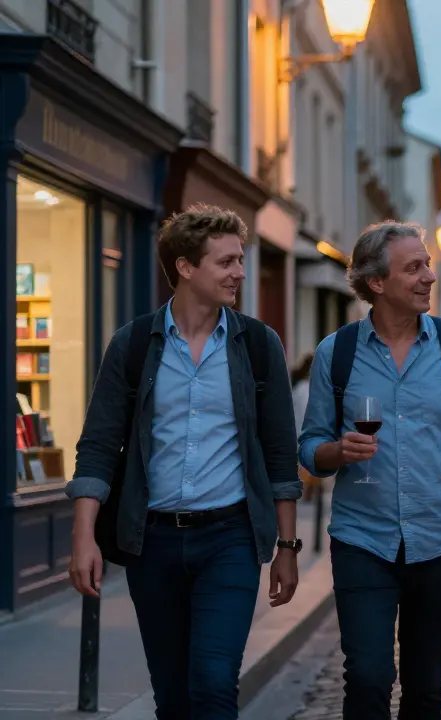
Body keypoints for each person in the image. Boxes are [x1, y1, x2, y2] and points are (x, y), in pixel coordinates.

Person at [66, 205, 302, 719]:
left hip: (230, 539)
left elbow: (281, 454)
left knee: (215, 685)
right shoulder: (131, 345)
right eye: (227, 262)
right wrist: (84, 536)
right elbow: (99, 445)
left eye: (239, 260)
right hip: (152, 543)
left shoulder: (258, 346)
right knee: (172, 697)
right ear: (186, 267)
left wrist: (287, 546)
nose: (240, 272)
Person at [297, 221, 441, 720]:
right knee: (367, 676)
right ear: (376, 282)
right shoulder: (338, 352)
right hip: (361, 540)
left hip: (439, 541)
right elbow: (310, 448)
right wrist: (337, 452)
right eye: (414, 267)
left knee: (426, 686)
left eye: (428, 264)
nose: (429, 277)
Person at [292, 353, 320, 502]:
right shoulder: (305, 389)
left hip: (300, 432)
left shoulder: (300, 388)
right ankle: (309, 492)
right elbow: (303, 413)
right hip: (304, 433)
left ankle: (311, 492)